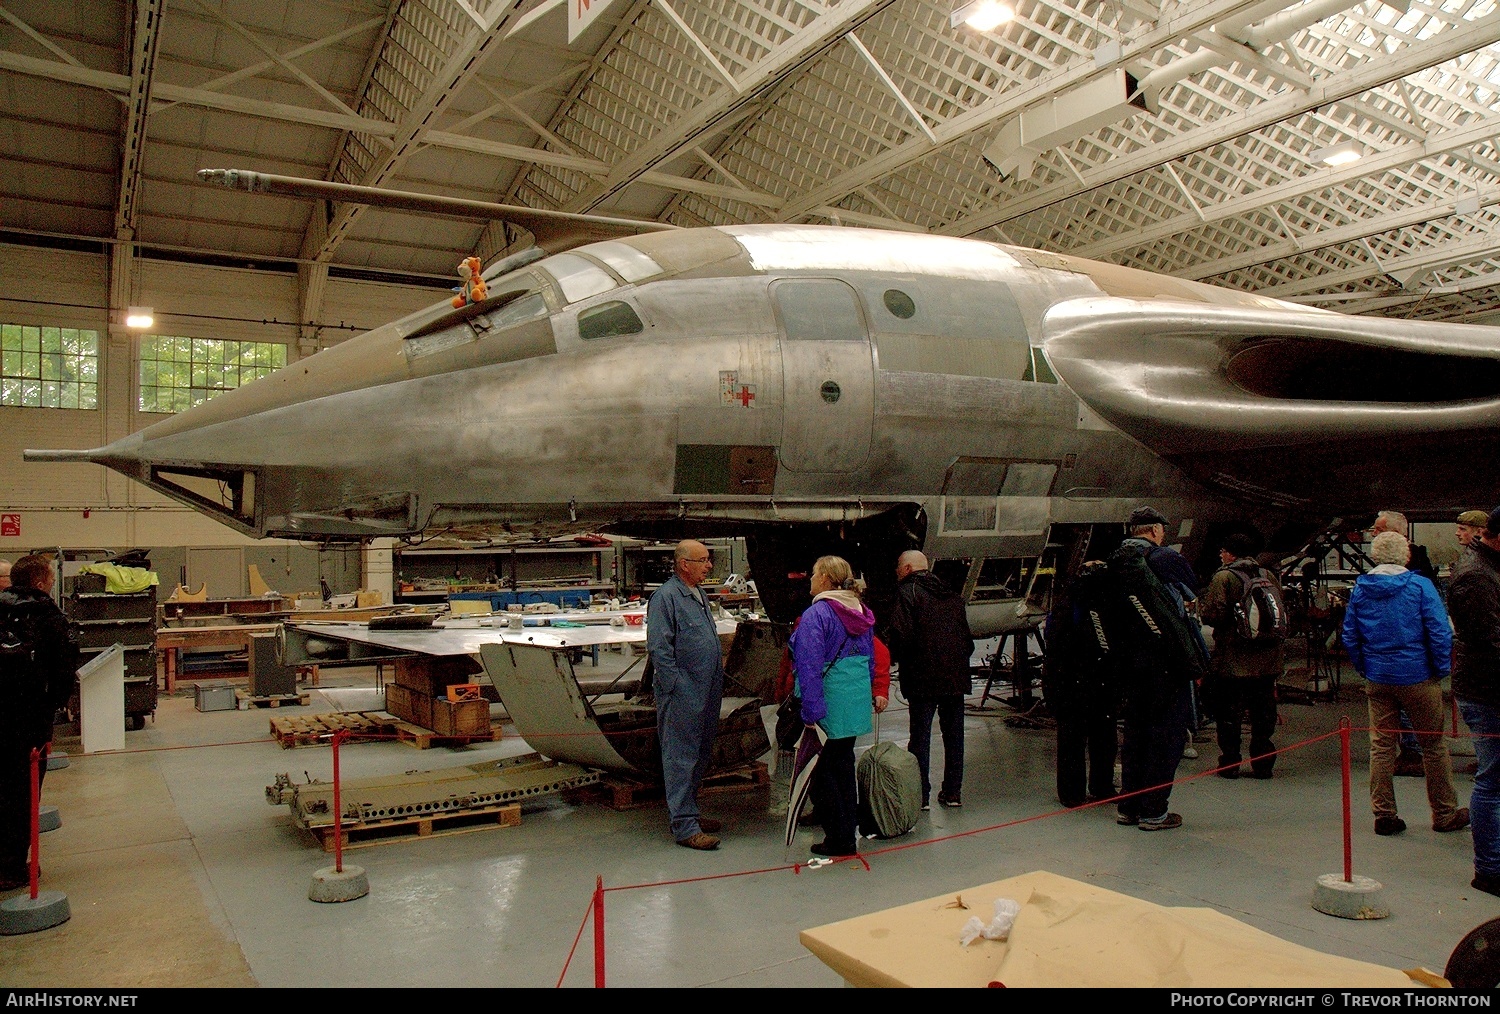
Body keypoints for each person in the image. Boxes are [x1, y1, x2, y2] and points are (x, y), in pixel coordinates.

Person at [1341, 531, 1467, 837]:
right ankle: (1444, 812)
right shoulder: (1420, 586)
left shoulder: (1362, 588)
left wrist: (1365, 668)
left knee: (1381, 745)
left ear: (1375, 554)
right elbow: (1439, 631)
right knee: (1433, 746)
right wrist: (1438, 670)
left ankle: (1384, 814)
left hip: (1379, 676)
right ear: (1406, 555)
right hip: (1417, 675)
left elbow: (1349, 634)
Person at [1112, 506, 1205, 831]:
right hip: (1166, 663)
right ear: (1154, 531)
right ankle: (1154, 812)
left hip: (1130, 666)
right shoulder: (1165, 558)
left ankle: (1128, 807)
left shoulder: (1116, 562)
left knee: (1135, 736)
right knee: (1166, 738)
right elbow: (1192, 590)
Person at [0, 554, 79, 889]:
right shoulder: (48, 615)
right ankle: (11, 868)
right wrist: (51, 714)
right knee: (22, 793)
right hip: (28, 722)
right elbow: (64, 672)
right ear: (40, 581)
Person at [789, 556, 875, 857]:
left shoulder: (818, 614)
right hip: (853, 700)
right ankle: (848, 830)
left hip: (828, 702)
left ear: (825, 578)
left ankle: (839, 839)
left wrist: (811, 710)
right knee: (842, 766)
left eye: (813, 574)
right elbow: (870, 660)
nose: (810, 579)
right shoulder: (861, 611)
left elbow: (809, 664)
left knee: (823, 774)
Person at [646, 540, 725, 851]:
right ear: (684, 565)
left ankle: (689, 814)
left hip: (706, 690)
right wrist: (676, 687)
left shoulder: (698, 594)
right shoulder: (666, 598)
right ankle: (684, 827)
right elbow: (659, 649)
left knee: (700, 754)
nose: (708, 566)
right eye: (703, 560)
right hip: (683, 693)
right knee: (681, 757)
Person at [886, 550, 974, 809]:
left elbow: (900, 635)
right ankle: (953, 792)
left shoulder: (907, 593)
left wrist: (895, 659)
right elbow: (967, 640)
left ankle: (921, 795)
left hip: (922, 678)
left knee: (920, 737)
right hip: (955, 677)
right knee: (954, 736)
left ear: (907, 569)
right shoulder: (952, 596)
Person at [1200, 532, 1285, 779]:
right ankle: (1263, 764)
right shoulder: (1267, 575)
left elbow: (1212, 615)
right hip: (1268, 660)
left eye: (1223, 549)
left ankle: (1230, 764)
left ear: (1231, 553)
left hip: (1234, 660)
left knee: (1229, 715)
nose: (1220, 553)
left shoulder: (1224, 576)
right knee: (1263, 713)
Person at [1449, 508, 1500, 895]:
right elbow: (1487, 640)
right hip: (1487, 690)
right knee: (1492, 780)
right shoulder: (1476, 575)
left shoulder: (1487, 568)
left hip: (1486, 685)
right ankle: (1490, 870)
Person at [1043, 560, 1118, 808]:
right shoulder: (1105, 604)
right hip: (1096, 682)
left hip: (1071, 683)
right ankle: (1101, 786)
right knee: (1101, 738)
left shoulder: (1067, 604)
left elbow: (1053, 644)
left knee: (1072, 742)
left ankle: (1072, 793)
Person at [1371, 510, 1429, 775]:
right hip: (1404, 659)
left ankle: (1412, 752)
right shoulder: (1417, 579)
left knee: (1399, 717)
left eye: (1378, 530)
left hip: (1398, 659)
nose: (1373, 534)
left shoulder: (1412, 575)